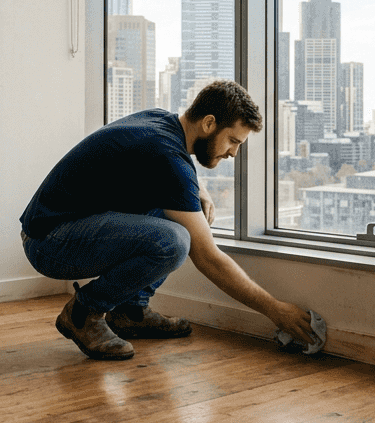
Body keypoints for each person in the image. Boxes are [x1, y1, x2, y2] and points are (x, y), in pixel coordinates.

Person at [19, 80, 316, 361]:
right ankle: (83, 314)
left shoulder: (162, 123)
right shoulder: (166, 157)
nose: (233, 153)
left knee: (172, 220)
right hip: (50, 241)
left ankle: (131, 312)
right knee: (174, 240)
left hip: (56, 229)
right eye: (232, 141)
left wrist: (198, 188)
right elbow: (208, 258)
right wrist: (276, 311)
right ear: (209, 123)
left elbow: (163, 159)